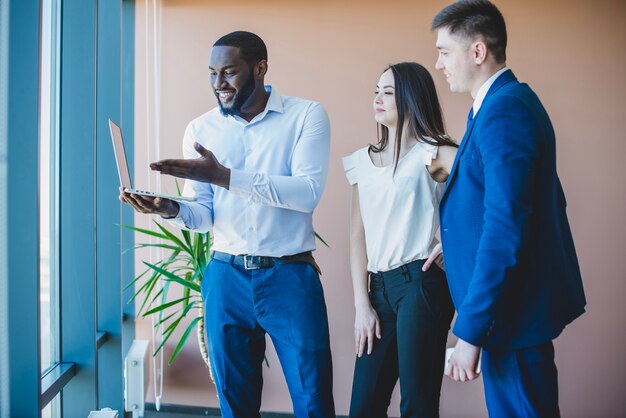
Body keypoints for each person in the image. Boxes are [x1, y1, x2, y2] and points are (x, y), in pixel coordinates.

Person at [120, 31, 335, 418]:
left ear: (260, 68)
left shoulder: (306, 115)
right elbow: (203, 216)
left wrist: (226, 177)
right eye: (212, 73)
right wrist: (169, 208)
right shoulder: (201, 129)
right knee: (235, 404)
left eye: (229, 72)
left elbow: (306, 193)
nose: (218, 83)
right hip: (225, 277)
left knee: (314, 400)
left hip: (290, 277)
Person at [430, 1, 587, 416]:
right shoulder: (496, 104)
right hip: (509, 311)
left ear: (477, 51)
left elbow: (506, 226)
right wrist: (455, 240)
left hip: (511, 315)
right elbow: (502, 204)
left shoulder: (504, 111)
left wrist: (470, 335)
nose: (438, 62)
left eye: (445, 51)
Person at [342, 62, 458, 418]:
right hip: (378, 291)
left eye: (388, 92)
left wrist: (451, 245)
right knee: (364, 406)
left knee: (418, 404)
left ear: (411, 97)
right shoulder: (362, 161)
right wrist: (362, 305)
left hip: (421, 284)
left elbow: (488, 201)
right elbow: (357, 236)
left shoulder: (433, 154)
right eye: (376, 91)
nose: (378, 98)